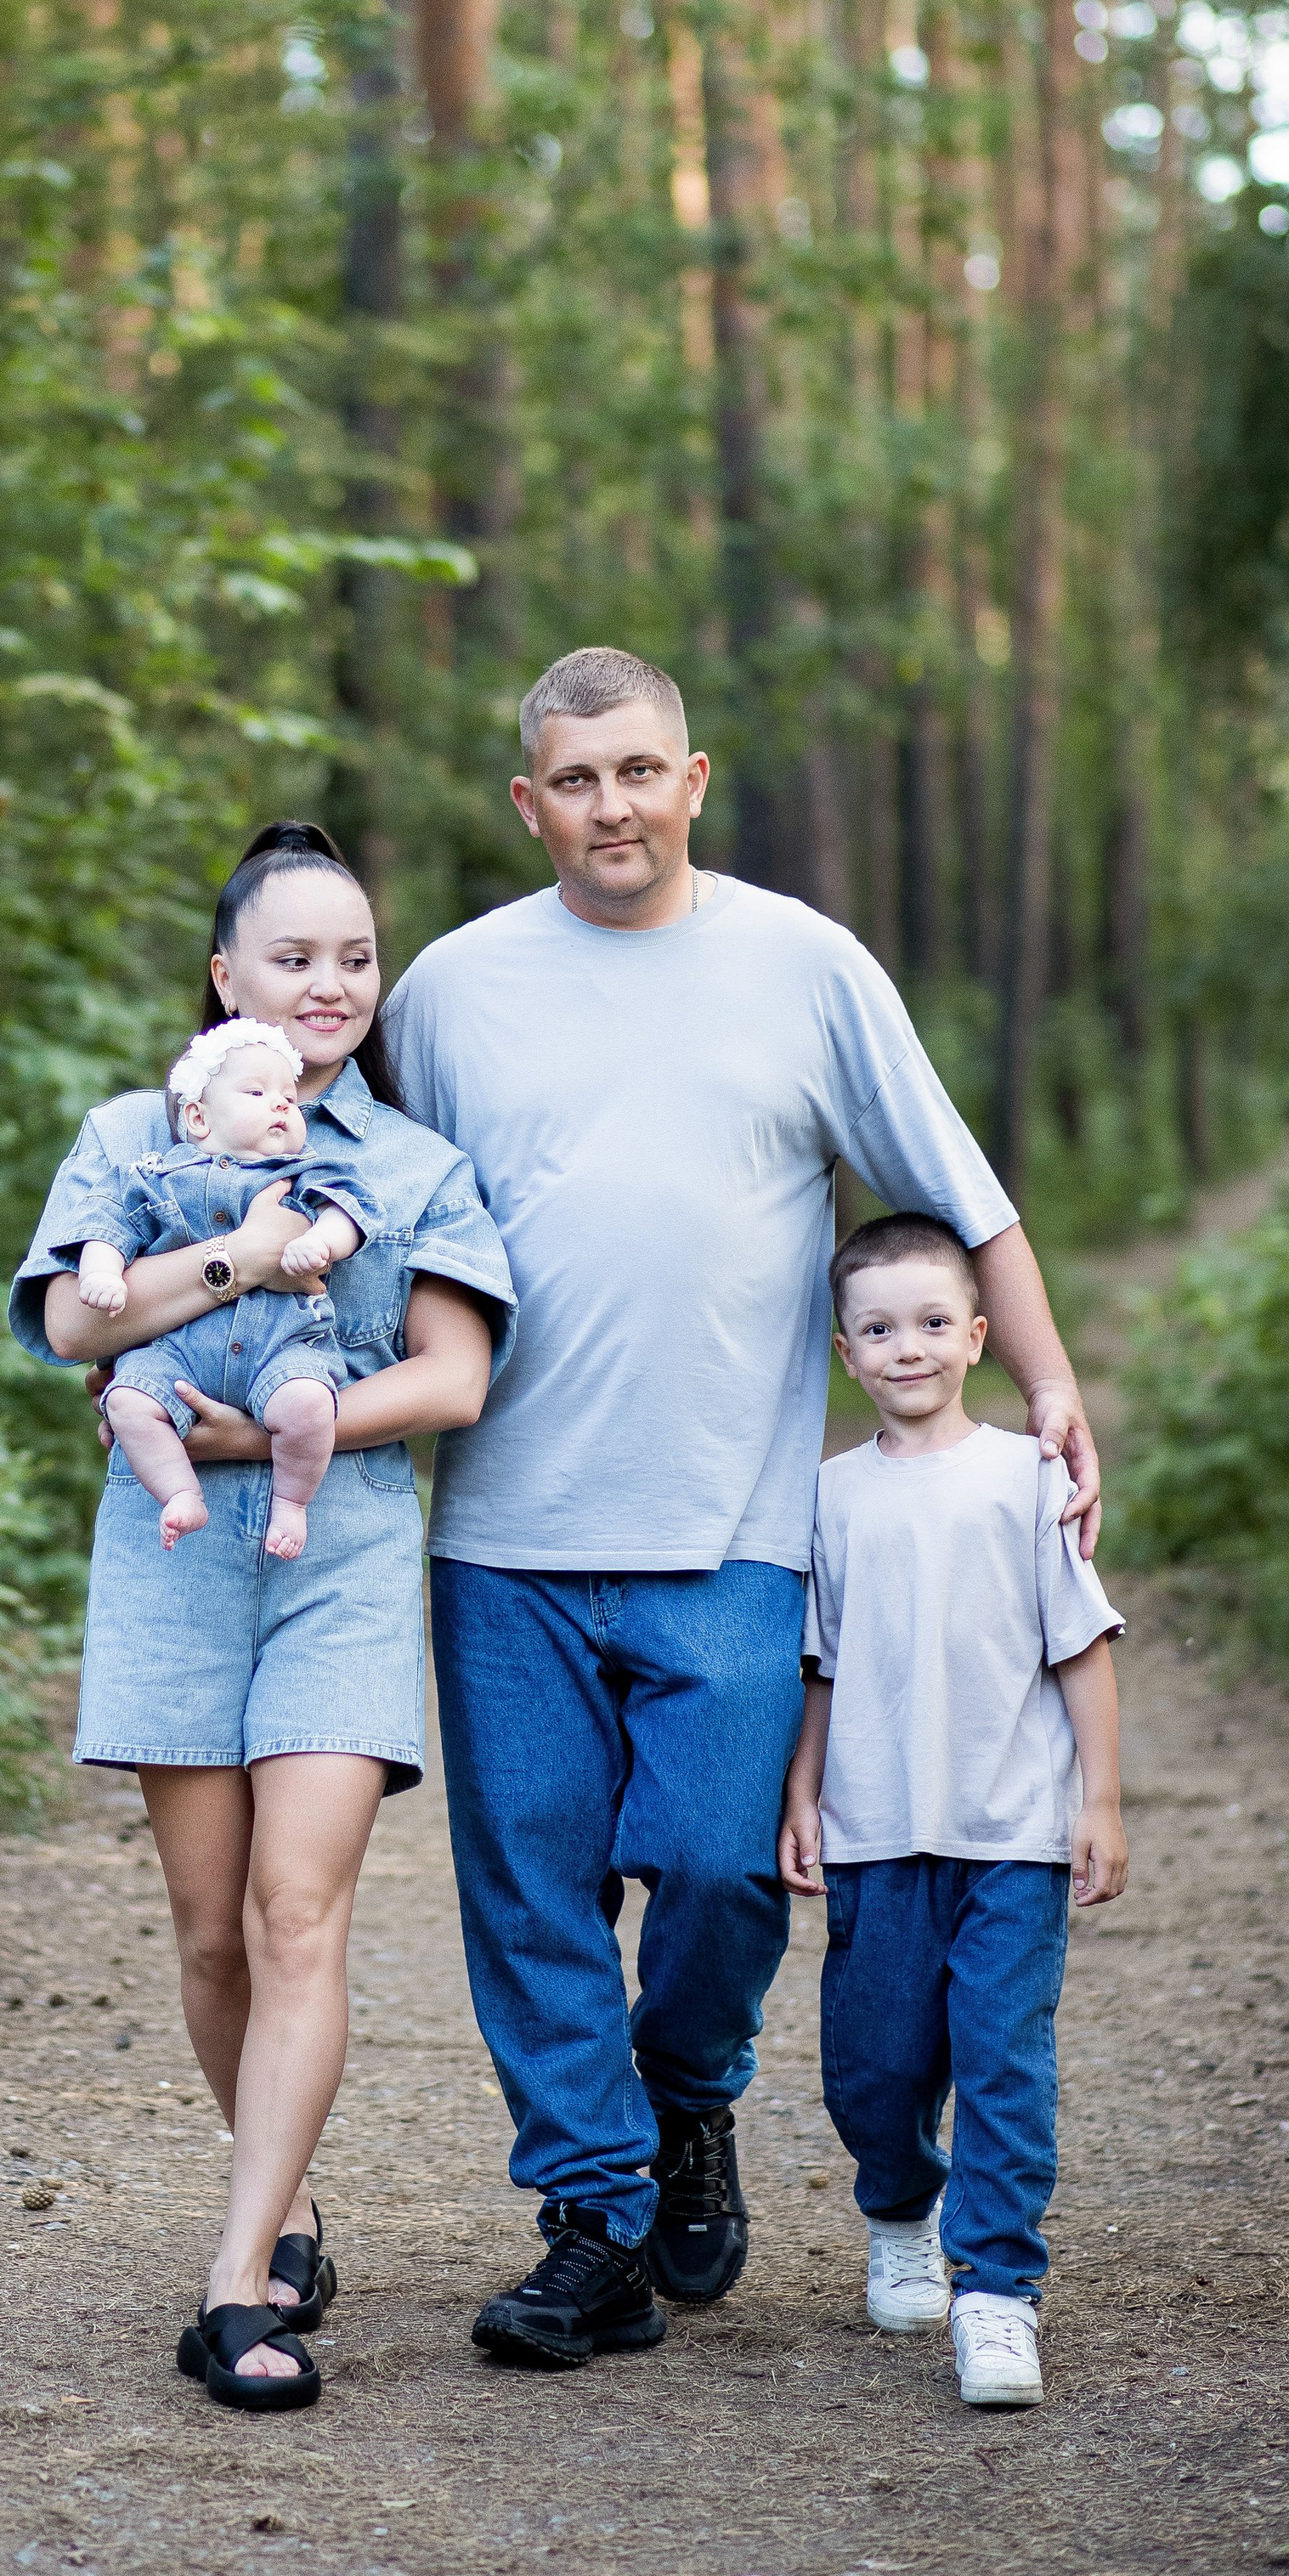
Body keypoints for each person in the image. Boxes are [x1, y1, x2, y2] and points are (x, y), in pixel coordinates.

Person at [384, 647, 1101, 2373]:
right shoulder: (447, 992)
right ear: (527, 801)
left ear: (691, 778)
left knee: (717, 1870)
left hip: (733, 1530)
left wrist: (1052, 1376)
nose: (610, 806)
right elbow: (341, 1205)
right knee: (531, 1887)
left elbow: (956, 1187)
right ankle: (593, 2222)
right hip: (502, 1535)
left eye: (638, 771)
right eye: (575, 779)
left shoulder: (802, 967)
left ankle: (687, 2092)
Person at [10, 821, 515, 2413]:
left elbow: (454, 1375)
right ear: (224, 978)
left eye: (355, 957)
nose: (330, 984)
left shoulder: (415, 1166)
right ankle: (285, 2202)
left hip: (342, 1554)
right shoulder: (123, 1141)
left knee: (303, 1914)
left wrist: (263, 1427)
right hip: (169, 1563)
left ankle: (236, 2289)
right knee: (211, 1928)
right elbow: (74, 1317)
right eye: (292, 958)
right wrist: (235, 1253)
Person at [777, 1212, 1128, 2409]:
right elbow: (817, 1667)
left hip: (1012, 1835)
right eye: (880, 1328)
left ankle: (997, 2296)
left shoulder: (1028, 1477)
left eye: (933, 1323)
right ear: (845, 1351)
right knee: (873, 2070)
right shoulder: (827, 1498)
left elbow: (1081, 1651)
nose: (908, 1347)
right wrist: (803, 1793)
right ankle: (899, 2204)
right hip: (877, 1833)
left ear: (979, 1336)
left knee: (1001, 2060)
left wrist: (1102, 1803)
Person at [65, 1017, 377, 1557]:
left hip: (279, 1346)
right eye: (257, 1092)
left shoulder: (305, 1171)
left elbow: (352, 1209)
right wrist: (100, 1269)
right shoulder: (156, 1175)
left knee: (308, 1404)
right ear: (198, 1117)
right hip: (175, 1353)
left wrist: (324, 1241)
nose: (281, 1105)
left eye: (289, 1096)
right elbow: (110, 1222)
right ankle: (181, 1493)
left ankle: (291, 1504)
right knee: (129, 1403)